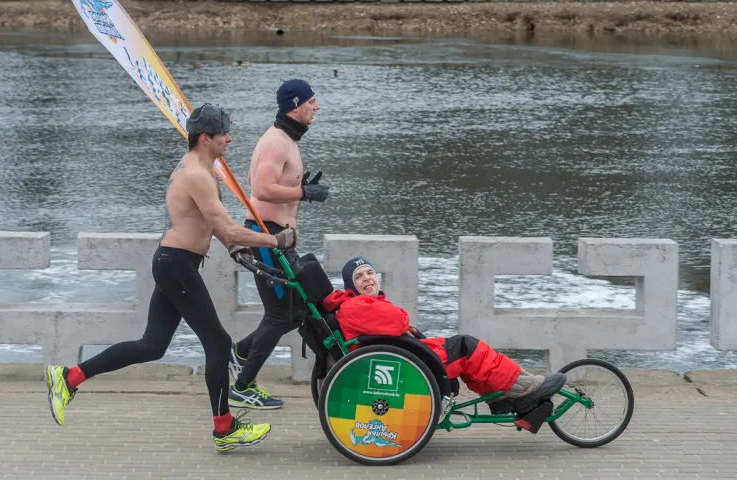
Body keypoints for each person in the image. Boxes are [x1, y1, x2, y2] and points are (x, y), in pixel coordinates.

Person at [45, 104, 298, 452]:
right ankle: (224, 430)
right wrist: (273, 239)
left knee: (152, 346)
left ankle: (70, 378)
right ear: (205, 138)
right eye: (223, 133)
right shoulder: (196, 172)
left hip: (175, 263)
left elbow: (213, 226)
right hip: (176, 265)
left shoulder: (205, 168)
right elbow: (226, 227)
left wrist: (234, 247)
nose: (230, 138)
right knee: (219, 343)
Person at [322, 256, 567, 416]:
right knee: (468, 348)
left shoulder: (358, 304)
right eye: (359, 277)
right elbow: (399, 321)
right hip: (403, 362)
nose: (367, 279)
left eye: (369, 273)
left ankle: (504, 395)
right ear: (349, 285)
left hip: (402, 353)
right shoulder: (356, 306)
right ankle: (524, 388)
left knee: (468, 354)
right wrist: (402, 323)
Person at [227, 79, 329, 410]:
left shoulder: (285, 139)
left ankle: (240, 352)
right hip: (265, 237)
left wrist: (301, 190)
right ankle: (242, 386)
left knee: (295, 312)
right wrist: (303, 192)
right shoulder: (276, 142)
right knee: (277, 315)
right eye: (312, 101)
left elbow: (275, 186)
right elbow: (261, 188)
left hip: (278, 240)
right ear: (295, 105)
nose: (317, 107)